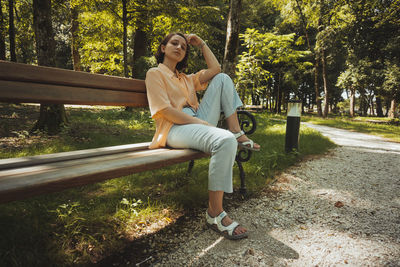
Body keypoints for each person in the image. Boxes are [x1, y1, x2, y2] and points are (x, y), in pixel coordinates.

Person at [145, 32, 260, 240]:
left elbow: (216, 70)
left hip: (198, 120)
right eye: (174, 43)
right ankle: (215, 213)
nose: (179, 47)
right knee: (224, 140)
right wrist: (200, 122)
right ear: (163, 48)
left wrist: (202, 44)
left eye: (183, 46)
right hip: (174, 128)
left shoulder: (186, 79)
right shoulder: (155, 73)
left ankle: (236, 130)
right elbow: (164, 110)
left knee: (223, 78)